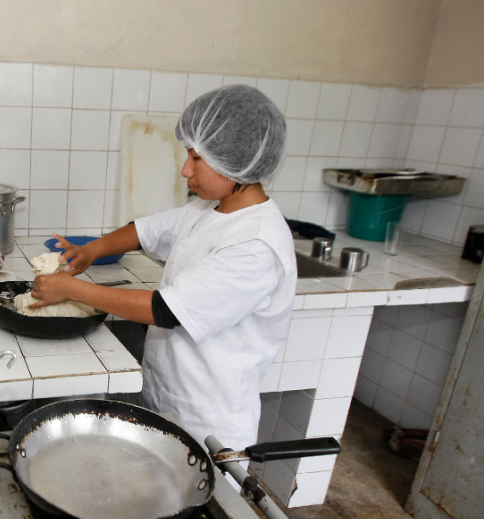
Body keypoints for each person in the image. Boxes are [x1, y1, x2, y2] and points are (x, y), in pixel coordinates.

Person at [29, 84, 296, 449]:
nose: (185, 169)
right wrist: (91, 251)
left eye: (197, 159)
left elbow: (165, 310)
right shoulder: (210, 208)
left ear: (236, 161)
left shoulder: (256, 245)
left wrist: (72, 289)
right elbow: (145, 231)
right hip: (167, 396)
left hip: (208, 424)